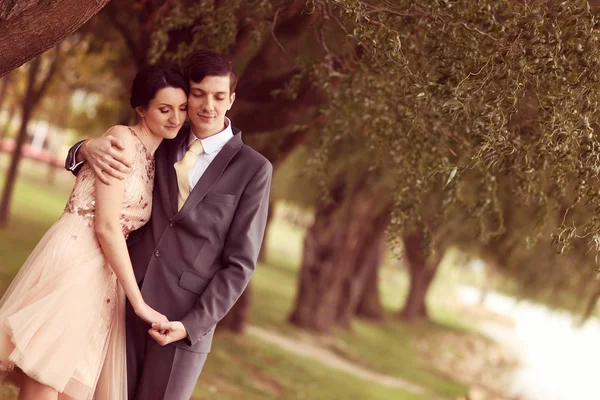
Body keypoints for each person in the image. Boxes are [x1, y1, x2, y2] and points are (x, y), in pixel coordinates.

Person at [65, 49, 273, 399]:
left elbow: (240, 265)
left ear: (231, 99)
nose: (208, 106)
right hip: (124, 297)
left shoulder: (254, 169)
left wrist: (192, 325)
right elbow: (113, 153)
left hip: (182, 322)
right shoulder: (165, 136)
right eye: (199, 94)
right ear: (187, 94)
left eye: (219, 96)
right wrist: (84, 148)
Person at [0, 65, 189, 400]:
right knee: (45, 378)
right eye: (164, 109)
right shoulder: (120, 140)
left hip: (103, 275)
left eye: (182, 108)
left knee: (72, 385)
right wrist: (139, 303)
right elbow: (106, 226)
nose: (176, 118)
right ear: (141, 109)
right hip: (75, 263)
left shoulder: (157, 156)